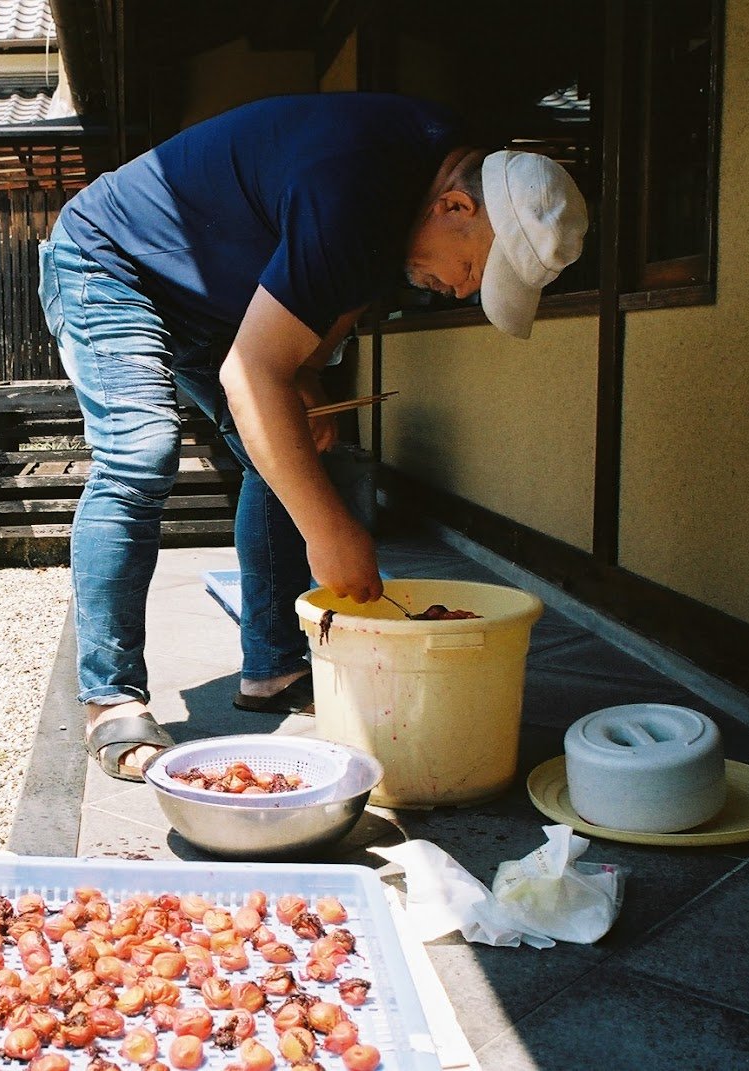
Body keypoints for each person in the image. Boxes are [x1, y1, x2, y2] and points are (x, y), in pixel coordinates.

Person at [38, 93, 588, 781]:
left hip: (217, 298)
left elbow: (340, 288)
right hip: (111, 260)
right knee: (140, 452)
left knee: (294, 447)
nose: (460, 292)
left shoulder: (430, 173)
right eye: (474, 270)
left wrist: (305, 379)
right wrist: (331, 531)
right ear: (457, 209)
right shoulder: (360, 184)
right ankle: (110, 697)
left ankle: (272, 668)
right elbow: (250, 370)